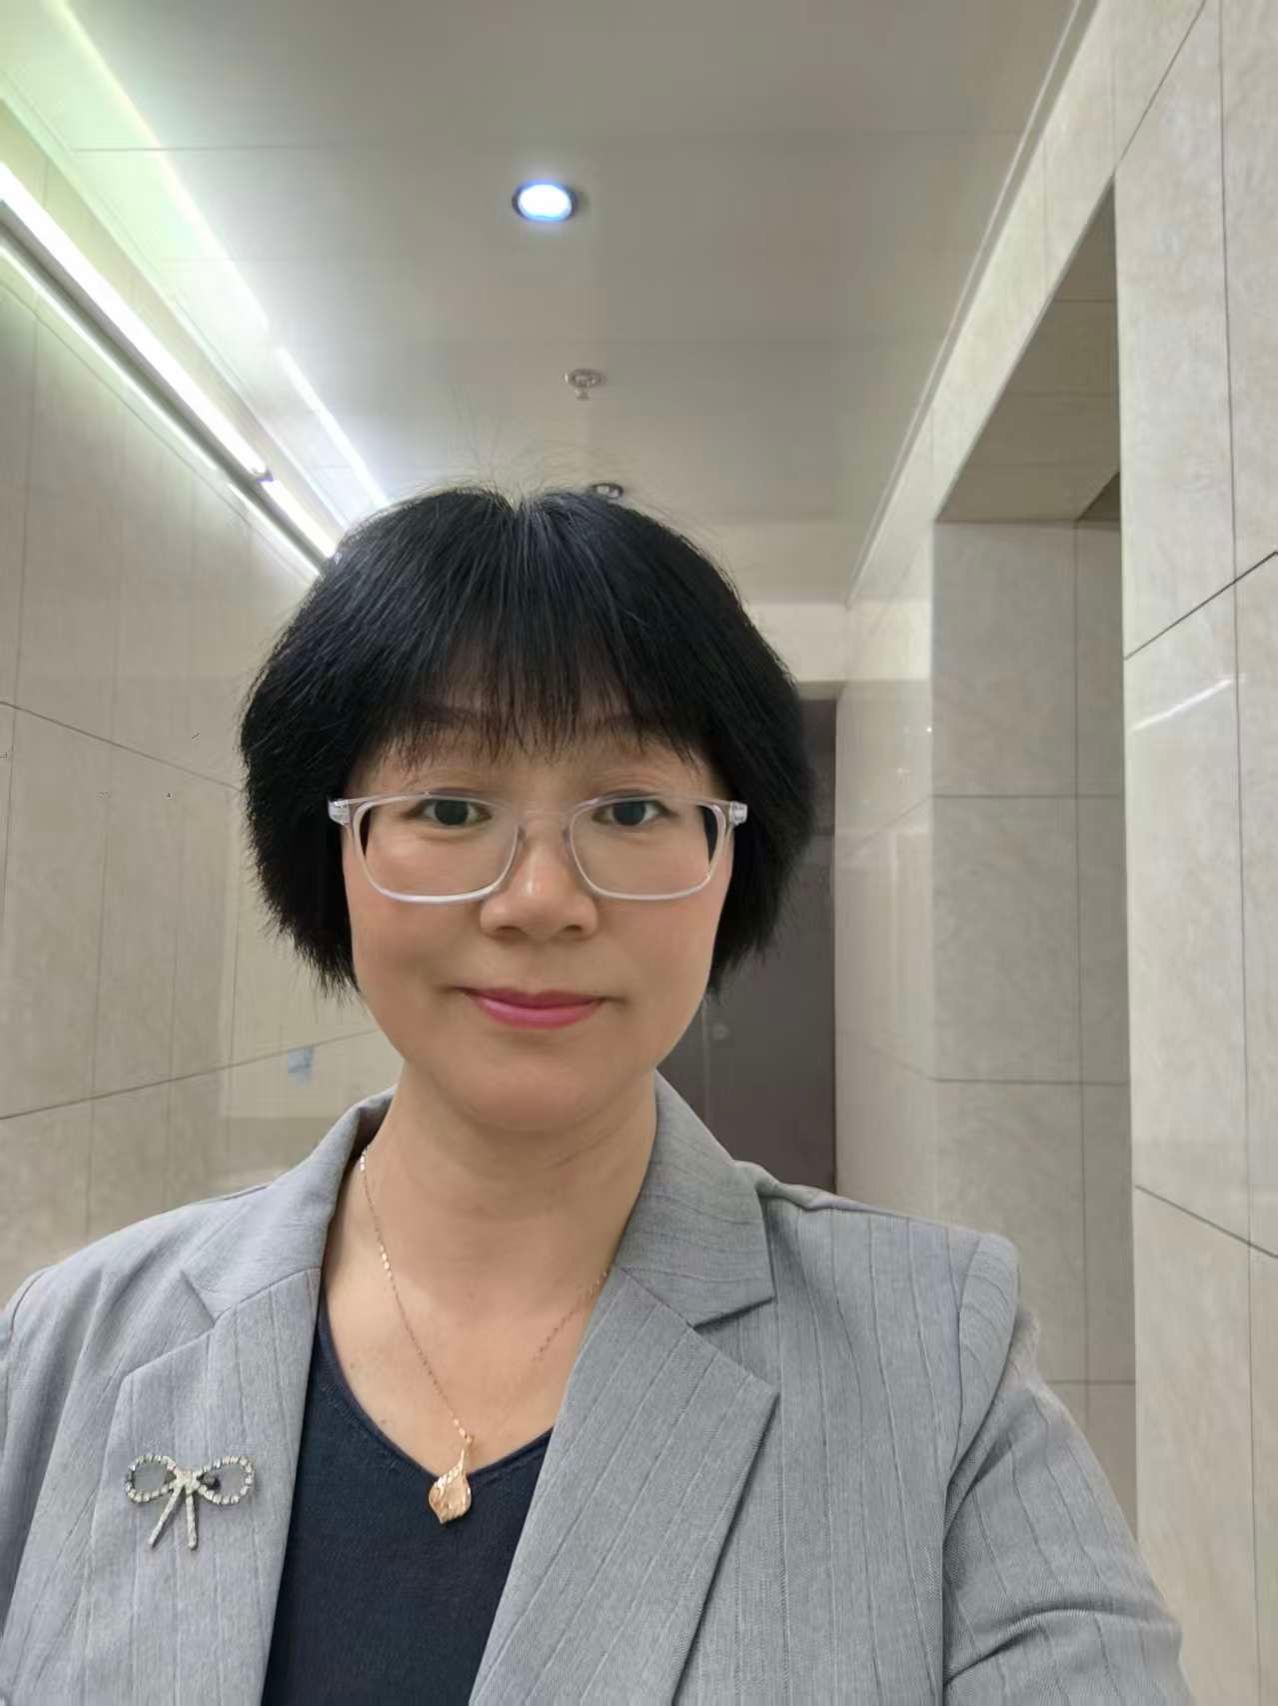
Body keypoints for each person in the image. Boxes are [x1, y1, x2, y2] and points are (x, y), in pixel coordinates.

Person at [0, 486, 1191, 1703]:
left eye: (628, 808)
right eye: (450, 806)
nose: (540, 899)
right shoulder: (75, 1342)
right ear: (333, 851)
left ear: (731, 856)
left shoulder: (938, 1358)